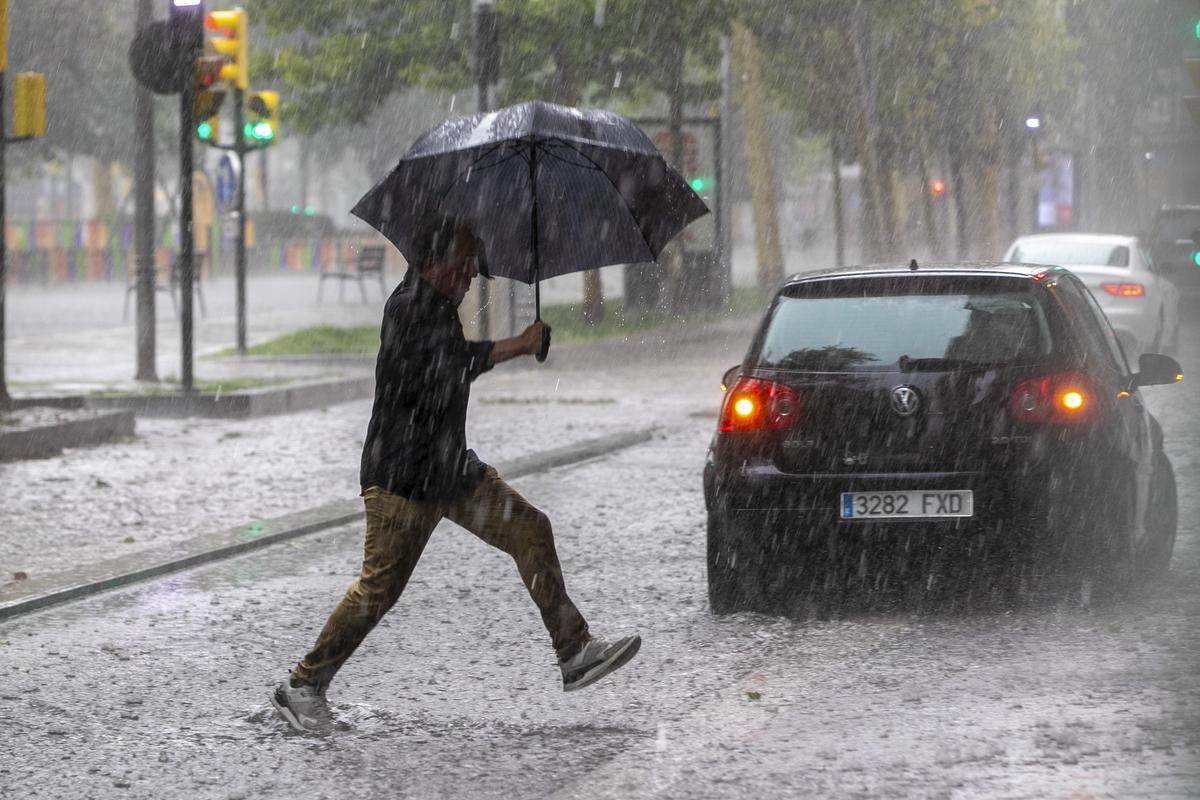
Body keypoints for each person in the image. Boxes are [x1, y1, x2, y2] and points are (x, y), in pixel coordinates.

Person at [270, 214, 640, 732]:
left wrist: (517, 342)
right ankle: (303, 686)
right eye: (463, 266)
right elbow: (451, 366)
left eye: (473, 266)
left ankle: (574, 651)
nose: (470, 277)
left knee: (530, 528)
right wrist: (520, 343)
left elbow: (453, 368)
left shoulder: (438, 307)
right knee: (377, 592)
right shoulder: (408, 310)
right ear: (432, 263)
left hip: (449, 471)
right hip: (403, 479)